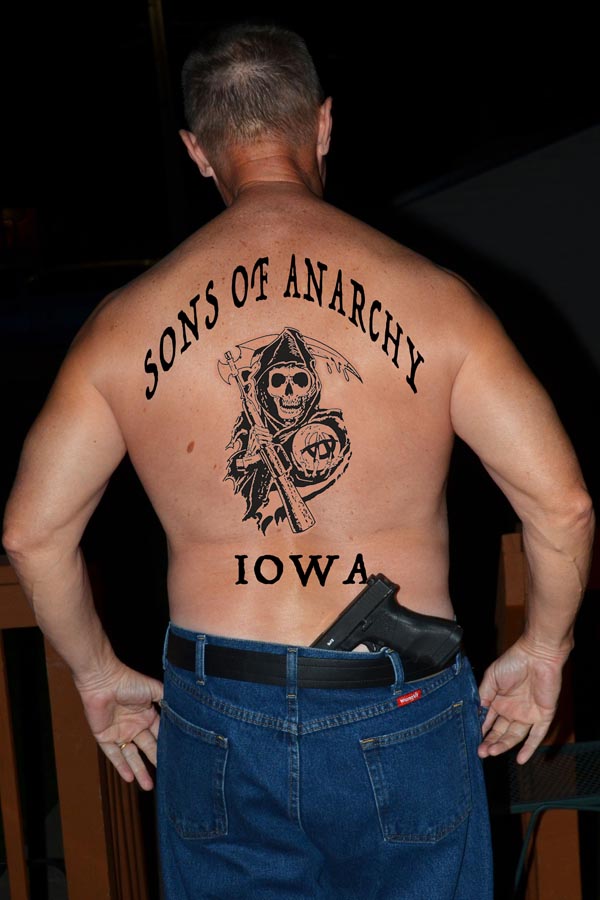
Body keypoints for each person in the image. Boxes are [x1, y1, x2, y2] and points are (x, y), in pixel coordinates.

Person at [2, 21, 594, 900]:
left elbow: (32, 533)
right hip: (397, 705)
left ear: (197, 150)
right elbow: (564, 506)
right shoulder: (438, 302)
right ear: (322, 124)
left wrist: (94, 672)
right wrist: (545, 648)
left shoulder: (123, 326)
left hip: (216, 710)